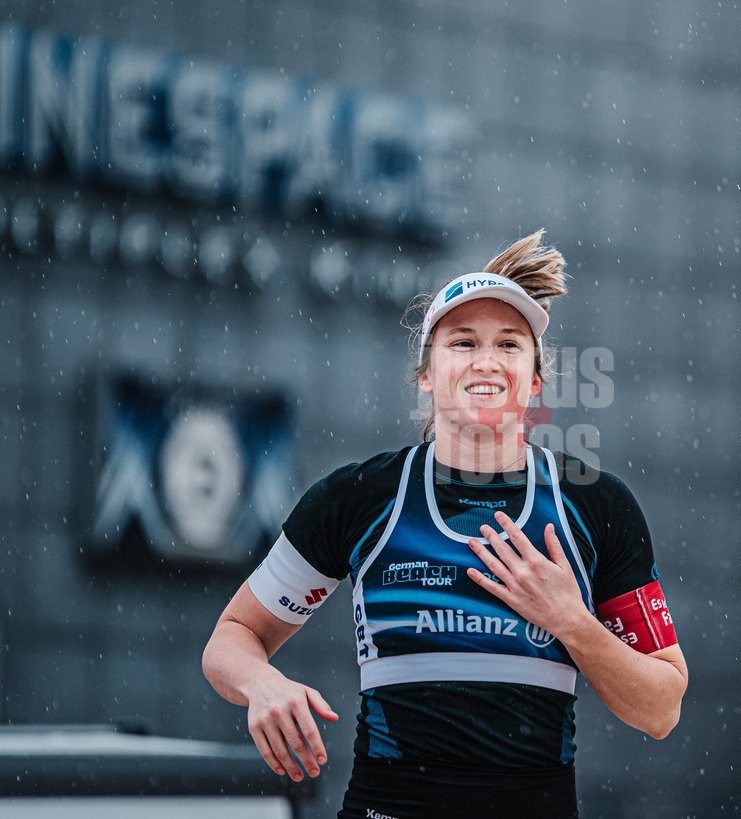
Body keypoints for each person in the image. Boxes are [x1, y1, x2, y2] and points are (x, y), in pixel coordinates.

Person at [202, 230, 688, 818]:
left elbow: (661, 709)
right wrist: (262, 683)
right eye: (463, 343)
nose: (486, 360)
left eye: (509, 344)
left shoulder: (594, 504)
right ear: (426, 375)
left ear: (534, 380)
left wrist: (572, 622)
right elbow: (232, 638)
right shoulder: (361, 497)